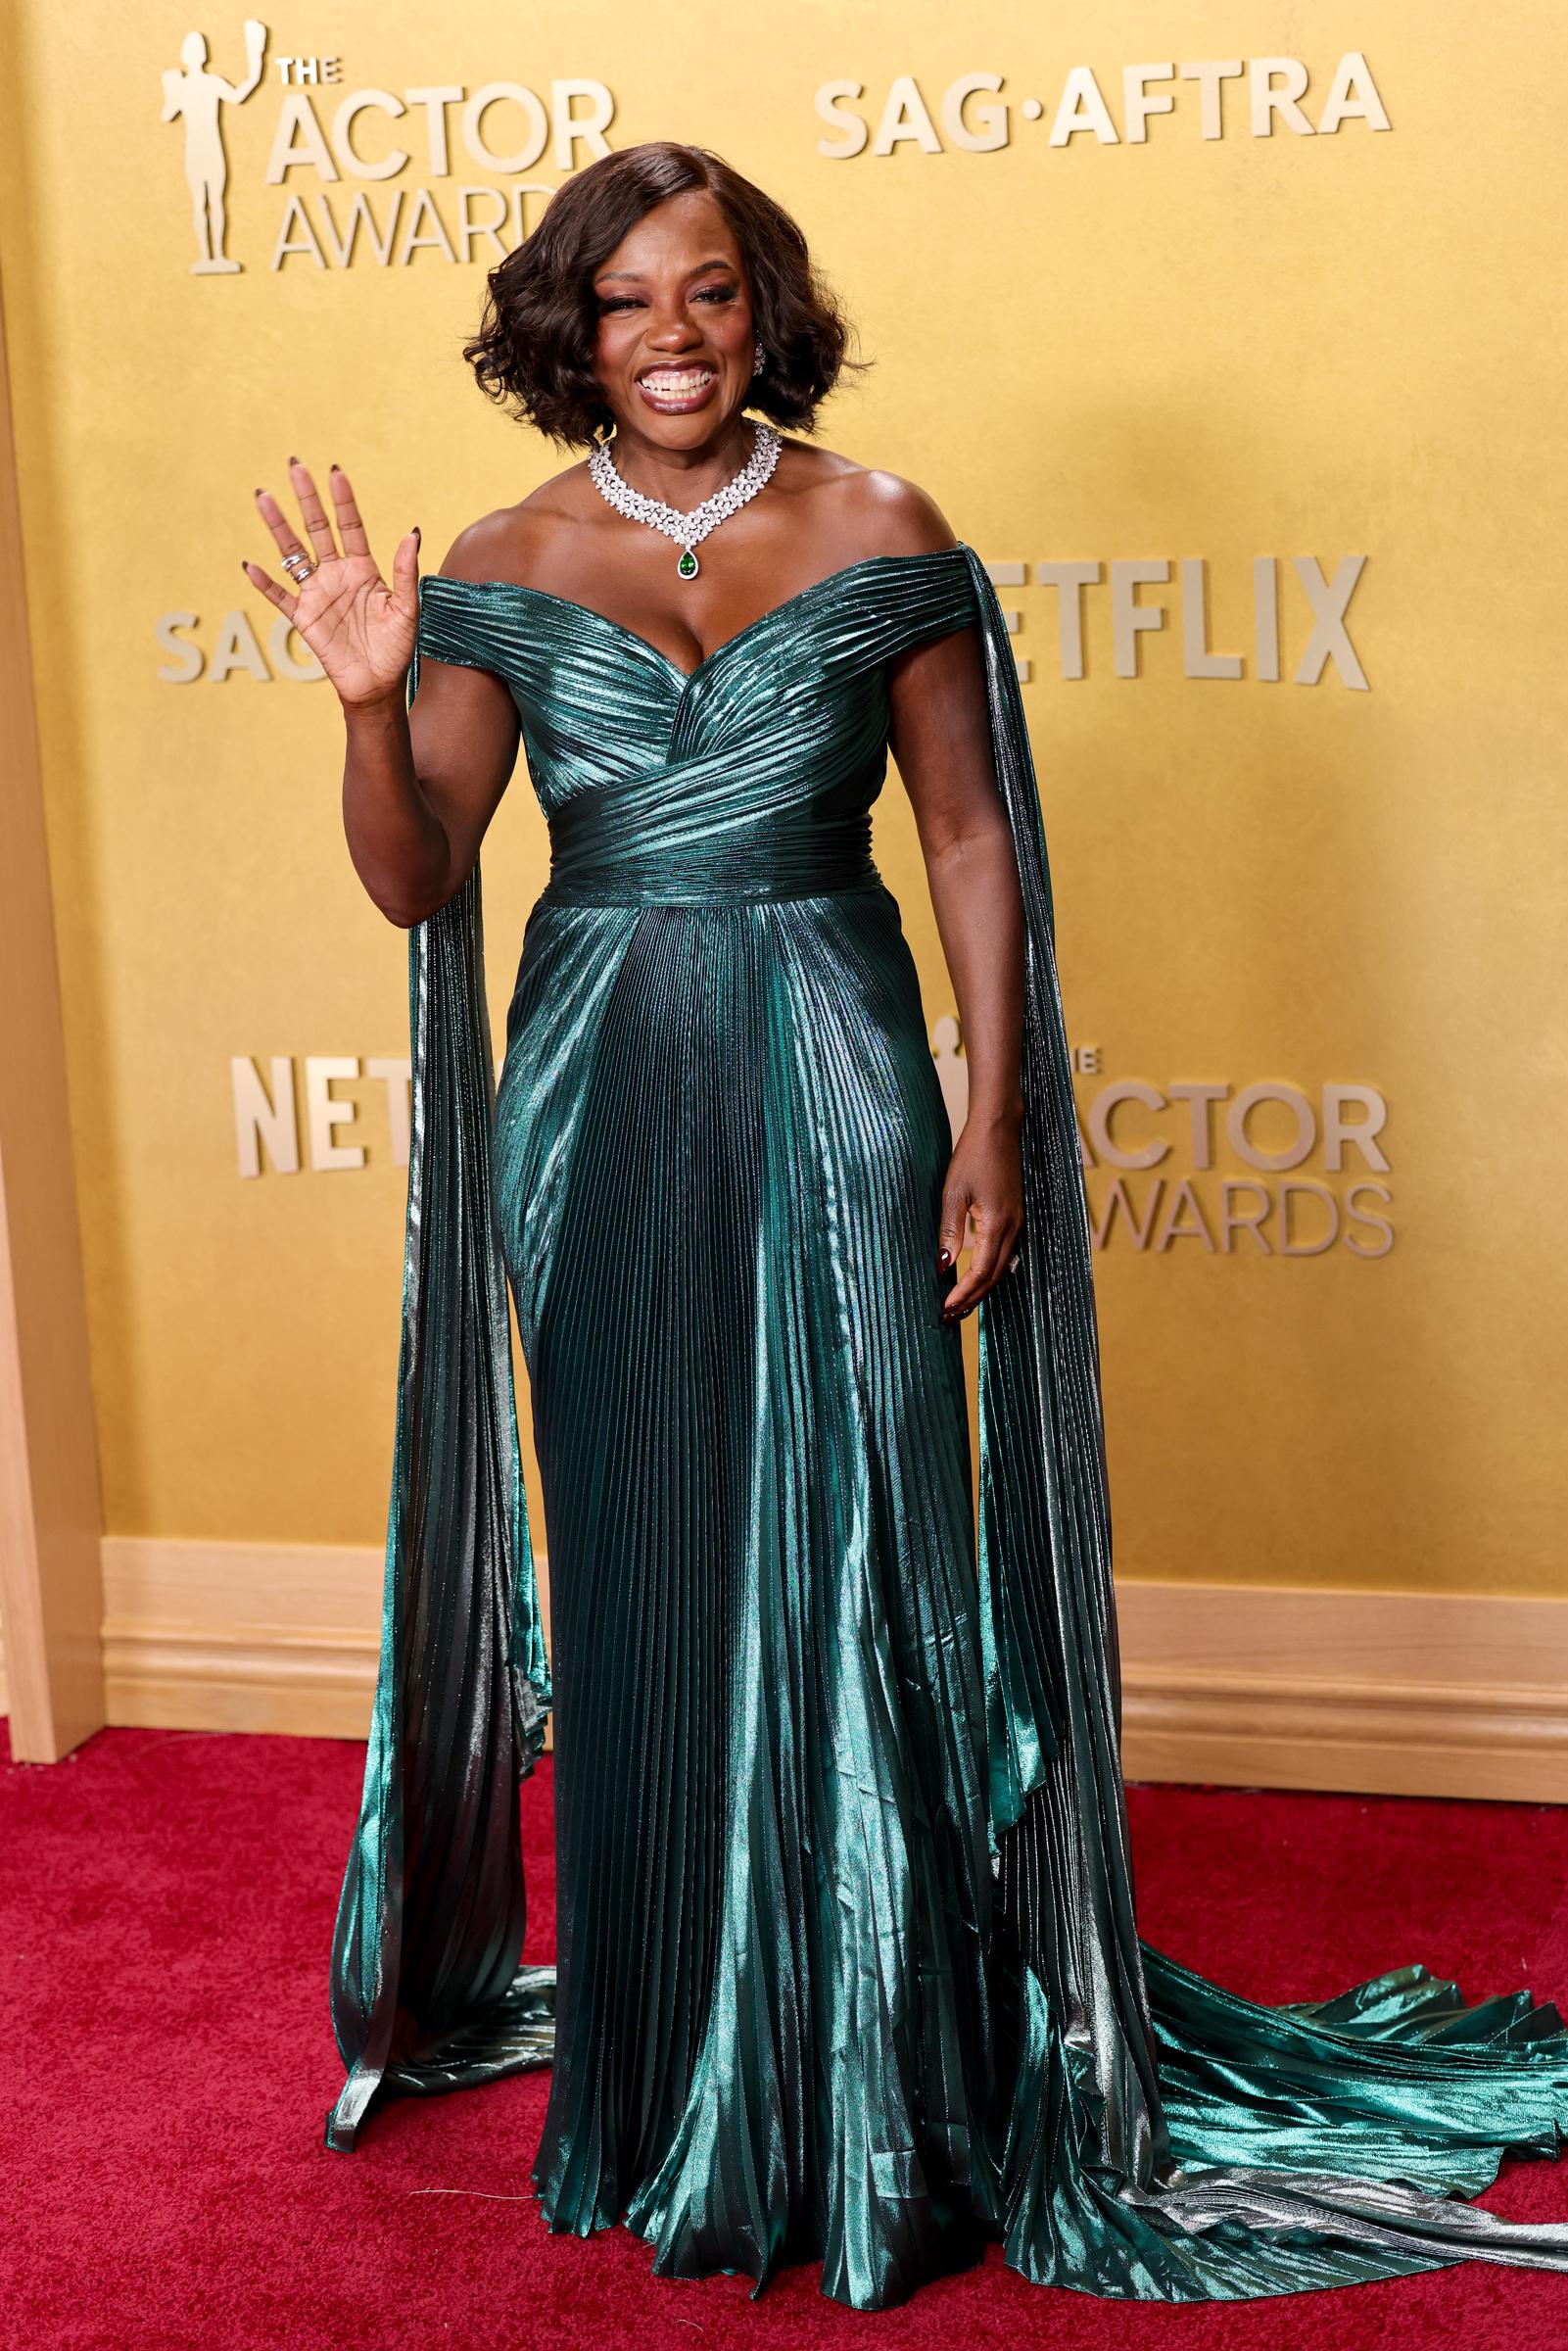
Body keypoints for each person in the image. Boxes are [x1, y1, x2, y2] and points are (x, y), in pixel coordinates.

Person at [242, 140, 1568, 2312]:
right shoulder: (493, 559)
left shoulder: (882, 527)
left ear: (765, 310)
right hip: (599, 1091)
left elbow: (966, 837)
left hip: (847, 1062)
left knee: (866, 1556)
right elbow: (414, 879)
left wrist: (992, 1113)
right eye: (625, 303)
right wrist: (374, 699)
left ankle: (877, 2083)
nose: (670, 339)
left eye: (710, 295)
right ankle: (673, 2078)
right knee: (657, 1559)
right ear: (564, 328)